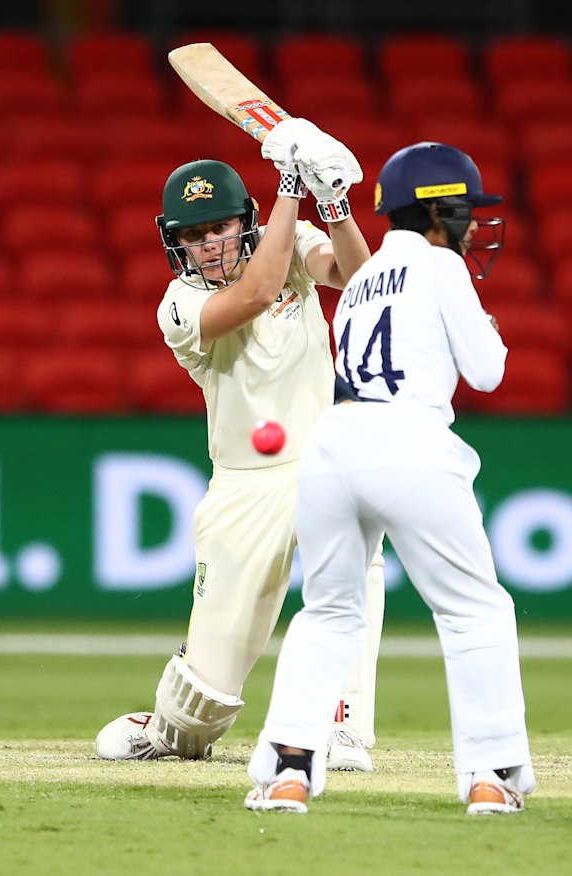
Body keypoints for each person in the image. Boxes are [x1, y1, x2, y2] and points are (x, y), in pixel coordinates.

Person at [245, 141, 536, 816]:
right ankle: (490, 776)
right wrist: (484, 327)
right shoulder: (441, 267)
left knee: (329, 613)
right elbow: (487, 371)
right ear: (436, 213)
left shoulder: (361, 284)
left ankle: (288, 770)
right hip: (408, 440)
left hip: (333, 445)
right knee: (476, 611)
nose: (471, 224)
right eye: (464, 210)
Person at [95, 118, 385, 770]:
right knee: (201, 709)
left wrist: (332, 204)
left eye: (221, 227)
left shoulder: (297, 242)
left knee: (355, 572)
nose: (209, 244)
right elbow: (255, 293)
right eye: (194, 235)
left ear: (245, 222)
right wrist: (290, 182)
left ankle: (338, 725)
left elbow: (361, 281)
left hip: (323, 459)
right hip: (244, 487)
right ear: (178, 246)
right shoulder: (179, 304)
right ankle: (168, 727)